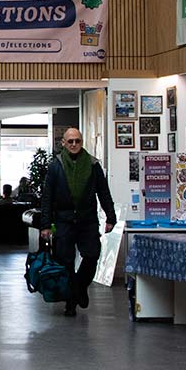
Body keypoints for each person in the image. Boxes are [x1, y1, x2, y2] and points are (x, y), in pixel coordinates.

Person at [36, 128, 117, 315]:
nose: (74, 144)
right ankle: (71, 302)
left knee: (92, 255)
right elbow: (47, 197)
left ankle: (79, 287)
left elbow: (103, 192)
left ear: (81, 142)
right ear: (63, 143)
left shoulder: (93, 165)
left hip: (87, 219)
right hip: (64, 220)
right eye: (70, 141)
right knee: (66, 261)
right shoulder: (55, 166)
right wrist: (45, 225)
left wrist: (110, 217)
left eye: (77, 141)